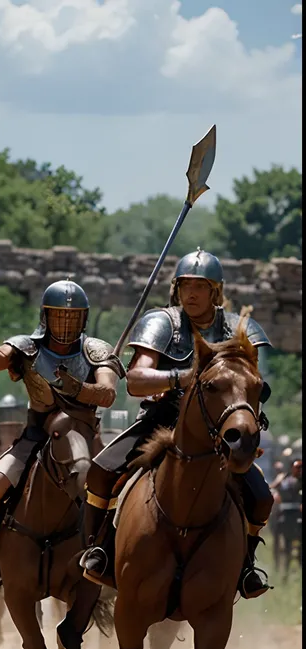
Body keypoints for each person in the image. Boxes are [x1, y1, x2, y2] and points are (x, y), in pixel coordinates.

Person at [77, 249, 274, 602]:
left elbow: (257, 381)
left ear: (215, 290)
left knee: (261, 498)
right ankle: (99, 550)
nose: (192, 294)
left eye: (201, 286)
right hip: (161, 420)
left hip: (219, 429)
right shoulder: (163, 322)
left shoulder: (239, 329)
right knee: (102, 471)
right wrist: (185, 377)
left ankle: (245, 564)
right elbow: (136, 379)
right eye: (186, 286)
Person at [0, 280, 125, 575]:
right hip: (37, 435)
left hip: (86, 435)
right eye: (59, 315)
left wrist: (76, 388)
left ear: (84, 318)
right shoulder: (26, 348)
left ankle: (110, 550)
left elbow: (107, 392)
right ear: (45, 316)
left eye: (73, 316)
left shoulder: (96, 350)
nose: (65, 322)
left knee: (119, 489)